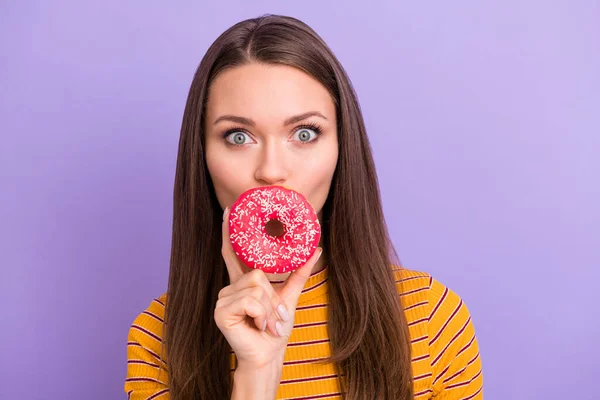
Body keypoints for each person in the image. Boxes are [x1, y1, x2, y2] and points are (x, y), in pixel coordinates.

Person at [124, 14, 483, 400]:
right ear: (202, 156)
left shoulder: (428, 316)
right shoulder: (158, 340)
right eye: (239, 136)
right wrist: (257, 373)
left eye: (305, 133)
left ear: (342, 149)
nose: (272, 171)